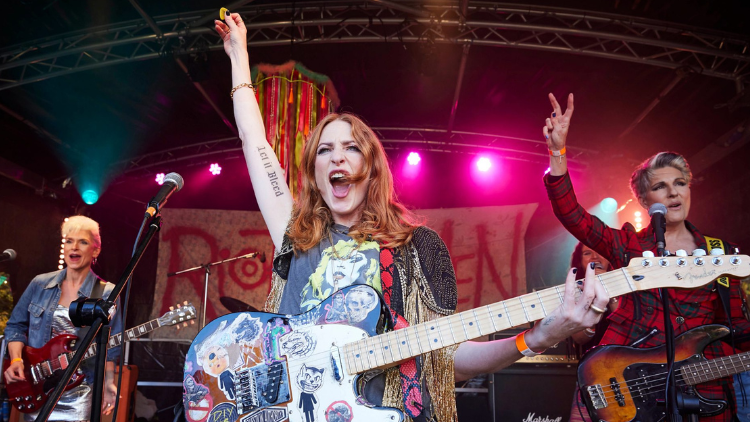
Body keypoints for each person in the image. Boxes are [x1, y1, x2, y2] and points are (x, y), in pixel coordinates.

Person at [214, 12, 610, 421]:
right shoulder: (297, 235)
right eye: (324, 149)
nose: (336, 156)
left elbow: (449, 356)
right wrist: (239, 56)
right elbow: (253, 142)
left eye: (350, 148)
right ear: (315, 171)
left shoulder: (418, 248)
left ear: (371, 168)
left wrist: (540, 336)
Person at [542, 93, 750, 421]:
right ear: (642, 198)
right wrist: (557, 153)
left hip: (704, 388)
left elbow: (738, 329)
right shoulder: (626, 245)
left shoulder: (720, 253)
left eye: (681, 183)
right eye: (661, 186)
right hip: (630, 379)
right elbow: (573, 215)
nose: (674, 192)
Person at [4, 216, 122, 421]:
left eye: (82, 242)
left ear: (95, 250)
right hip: (38, 385)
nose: (74, 247)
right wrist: (15, 359)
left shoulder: (107, 293)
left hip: (78, 392)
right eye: (69, 240)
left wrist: (109, 383)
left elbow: (110, 347)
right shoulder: (40, 284)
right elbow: (15, 326)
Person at [569, 243, 615, 350]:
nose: (595, 257)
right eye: (587, 253)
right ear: (580, 261)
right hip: (593, 358)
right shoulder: (574, 290)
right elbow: (580, 339)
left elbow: (627, 326)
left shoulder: (625, 283)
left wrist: (608, 284)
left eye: (600, 252)